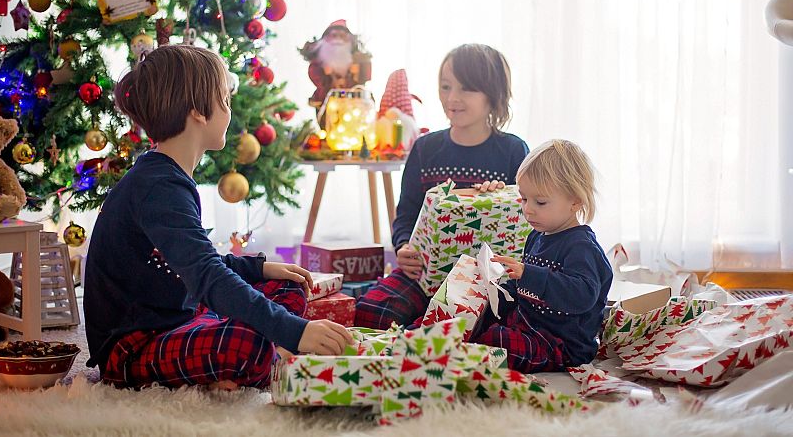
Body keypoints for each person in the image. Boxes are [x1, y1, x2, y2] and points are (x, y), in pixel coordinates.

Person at [83, 45, 353, 390]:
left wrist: (257, 268)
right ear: (198, 111)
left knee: (289, 285)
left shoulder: (166, 176)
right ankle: (251, 359)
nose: (229, 111)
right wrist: (294, 332)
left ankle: (236, 363)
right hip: (134, 346)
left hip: (177, 316)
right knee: (246, 343)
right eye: (225, 100)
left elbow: (189, 261)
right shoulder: (158, 186)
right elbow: (207, 277)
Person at [355, 43, 529, 329]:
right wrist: (402, 248)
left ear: (492, 94)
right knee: (372, 312)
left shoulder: (513, 151)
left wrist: (504, 197)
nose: (452, 98)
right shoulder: (425, 148)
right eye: (446, 86)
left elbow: (532, 221)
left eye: (466, 89)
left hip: (487, 280)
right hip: (423, 275)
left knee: (479, 327)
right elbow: (406, 215)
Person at [475, 139, 613, 373]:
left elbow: (582, 295)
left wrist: (528, 274)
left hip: (561, 344)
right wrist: (497, 292)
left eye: (540, 202)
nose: (528, 209)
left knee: (497, 342)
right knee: (478, 317)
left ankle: (471, 359)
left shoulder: (581, 246)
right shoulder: (536, 236)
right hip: (529, 324)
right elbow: (524, 288)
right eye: (524, 199)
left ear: (575, 202)